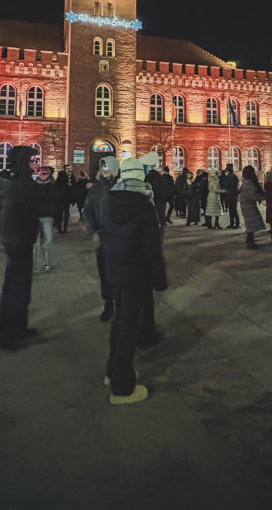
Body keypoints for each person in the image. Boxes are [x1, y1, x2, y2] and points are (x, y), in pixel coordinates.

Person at [100, 157, 168, 405]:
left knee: (120, 323)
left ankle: (113, 370)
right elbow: (152, 250)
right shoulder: (143, 206)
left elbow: (104, 239)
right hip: (135, 274)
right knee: (129, 327)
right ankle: (122, 387)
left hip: (115, 272)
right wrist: (159, 280)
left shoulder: (110, 200)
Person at [0, 146, 41, 351]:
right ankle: (6, 333)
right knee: (16, 288)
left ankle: (19, 326)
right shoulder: (20, 184)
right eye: (31, 160)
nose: (35, 163)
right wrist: (16, 240)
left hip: (22, 240)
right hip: (19, 242)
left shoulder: (23, 182)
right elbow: (9, 215)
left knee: (22, 286)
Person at [84, 157, 119, 322]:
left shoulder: (122, 187)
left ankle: (121, 302)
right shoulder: (96, 189)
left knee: (120, 272)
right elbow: (88, 211)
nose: (105, 171)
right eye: (102, 168)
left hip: (120, 237)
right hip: (103, 237)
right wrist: (94, 231)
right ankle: (109, 303)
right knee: (104, 272)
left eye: (107, 168)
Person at [33, 166, 59, 272]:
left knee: (48, 240)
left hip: (48, 216)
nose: (43, 174)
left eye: (45, 173)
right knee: (36, 242)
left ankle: (47, 262)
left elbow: (57, 202)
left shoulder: (53, 187)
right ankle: (37, 264)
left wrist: (57, 218)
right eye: (41, 172)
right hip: (34, 217)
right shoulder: (33, 186)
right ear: (38, 174)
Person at [238, 165, 266, 249]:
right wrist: (259, 197)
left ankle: (249, 239)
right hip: (248, 205)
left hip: (247, 204)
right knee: (250, 223)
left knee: (250, 223)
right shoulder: (248, 182)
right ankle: (250, 242)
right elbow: (249, 195)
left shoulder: (246, 181)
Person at [55, 165, 75, 233]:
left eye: (70, 168)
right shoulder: (61, 176)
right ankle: (59, 228)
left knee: (66, 214)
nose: (69, 169)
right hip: (61, 198)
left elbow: (74, 188)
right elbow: (57, 185)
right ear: (64, 169)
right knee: (60, 214)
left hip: (68, 199)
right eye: (67, 168)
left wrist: (73, 199)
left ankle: (65, 228)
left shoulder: (72, 176)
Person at [222, 164, 240, 229]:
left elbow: (235, 186)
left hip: (232, 195)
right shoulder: (230, 176)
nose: (226, 169)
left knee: (234, 210)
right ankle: (232, 223)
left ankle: (237, 223)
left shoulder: (233, 176)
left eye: (227, 167)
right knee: (231, 210)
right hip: (229, 195)